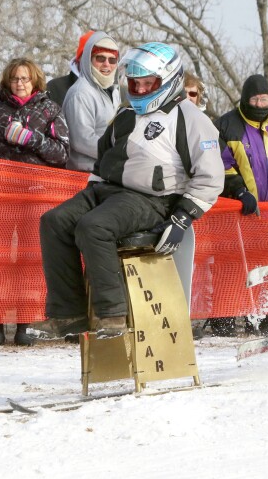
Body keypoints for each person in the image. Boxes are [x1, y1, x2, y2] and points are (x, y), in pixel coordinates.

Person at [30, 42, 224, 341]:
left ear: (168, 80)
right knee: (54, 221)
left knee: (94, 227)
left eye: (149, 83)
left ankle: (112, 315)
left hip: (153, 198)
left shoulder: (191, 118)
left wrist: (183, 217)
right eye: (135, 83)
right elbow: (105, 154)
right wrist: (93, 188)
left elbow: (211, 176)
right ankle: (67, 314)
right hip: (107, 189)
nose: (141, 89)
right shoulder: (126, 113)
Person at [0, 58, 70, 345]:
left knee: (30, 257)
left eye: (25, 79)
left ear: (34, 81)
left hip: (35, 193)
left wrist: (32, 138)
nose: (19, 83)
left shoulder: (50, 109)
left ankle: (25, 323)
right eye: (15, 78)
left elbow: (62, 153)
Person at [209, 74, 268, 336]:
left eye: (264, 99)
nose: (260, 104)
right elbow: (219, 164)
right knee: (231, 266)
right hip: (235, 213)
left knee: (265, 265)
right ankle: (224, 319)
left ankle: (262, 317)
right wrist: (238, 190)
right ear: (245, 99)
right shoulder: (227, 126)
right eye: (255, 99)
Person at [62, 30, 120, 172]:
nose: (107, 64)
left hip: (107, 172)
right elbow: (82, 140)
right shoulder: (80, 93)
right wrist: (118, 152)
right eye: (100, 58)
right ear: (89, 60)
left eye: (112, 60)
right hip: (84, 175)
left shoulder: (113, 91)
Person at [46, 30, 95, 107]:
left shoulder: (112, 91)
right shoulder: (54, 87)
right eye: (89, 56)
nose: (94, 61)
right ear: (79, 58)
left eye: (100, 58)